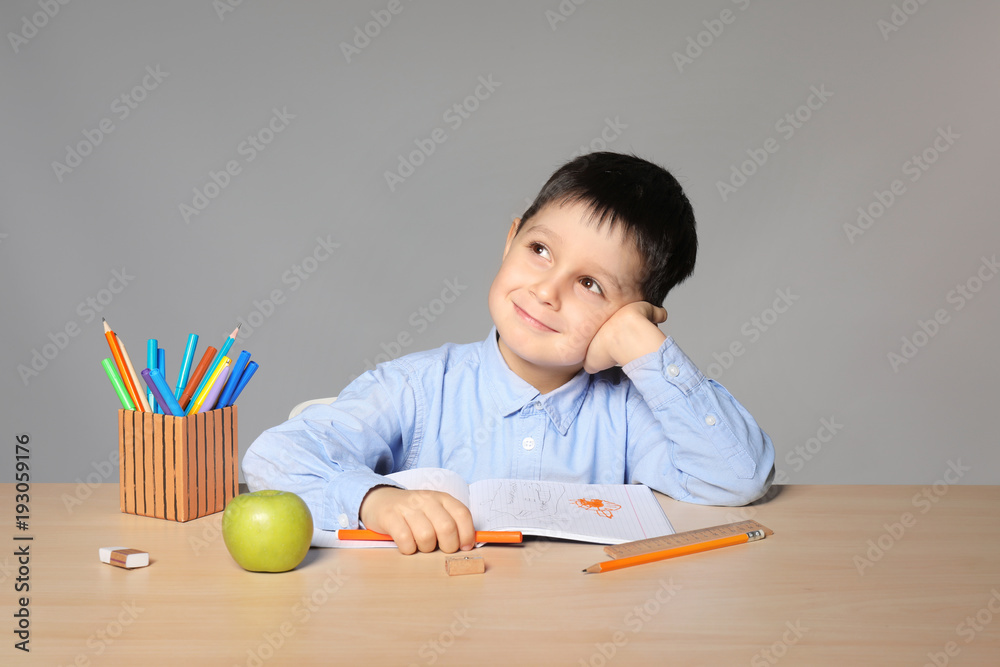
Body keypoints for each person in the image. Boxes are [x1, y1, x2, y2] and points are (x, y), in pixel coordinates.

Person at [243, 152, 775, 555]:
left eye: (590, 284)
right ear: (511, 239)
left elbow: (738, 478)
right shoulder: (418, 388)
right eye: (539, 250)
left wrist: (646, 348)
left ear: (632, 312)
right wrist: (376, 500)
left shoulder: (630, 414)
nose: (548, 291)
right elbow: (273, 457)